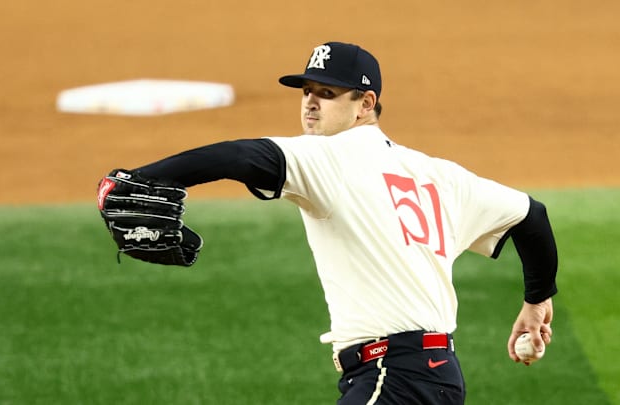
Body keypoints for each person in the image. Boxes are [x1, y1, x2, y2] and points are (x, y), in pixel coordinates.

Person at [116, 41, 558, 404]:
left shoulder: (329, 156)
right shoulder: (438, 175)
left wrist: (144, 179)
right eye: (306, 90)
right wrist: (536, 301)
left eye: (327, 93)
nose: (310, 102)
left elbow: (238, 156)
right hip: (434, 376)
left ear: (365, 104)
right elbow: (531, 216)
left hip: (393, 377)